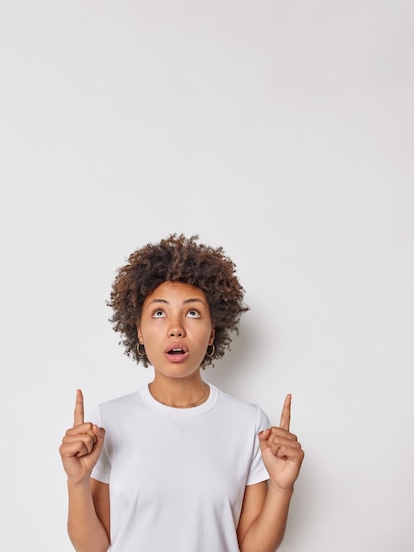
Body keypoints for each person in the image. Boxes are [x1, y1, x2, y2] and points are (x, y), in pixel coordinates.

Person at [59, 234, 304, 552]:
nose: (176, 328)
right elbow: (93, 548)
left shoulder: (249, 424)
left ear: (213, 332)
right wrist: (76, 482)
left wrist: (282, 489)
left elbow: (252, 549)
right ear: (140, 333)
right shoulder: (107, 422)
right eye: (159, 313)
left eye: (192, 313)